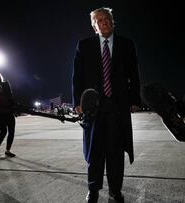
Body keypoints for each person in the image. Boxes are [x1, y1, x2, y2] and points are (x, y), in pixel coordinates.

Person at [72, 7, 140, 203]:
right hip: (93, 108)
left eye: (107, 19)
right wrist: (78, 102)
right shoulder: (84, 45)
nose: (104, 22)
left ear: (113, 21)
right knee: (94, 151)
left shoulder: (127, 45)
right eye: (99, 20)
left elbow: (133, 74)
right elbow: (77, 77)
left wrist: (134, 99)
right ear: (94, 26)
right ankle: (93, 189)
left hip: (117, 108)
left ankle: (115, 191)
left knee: (115, 152)